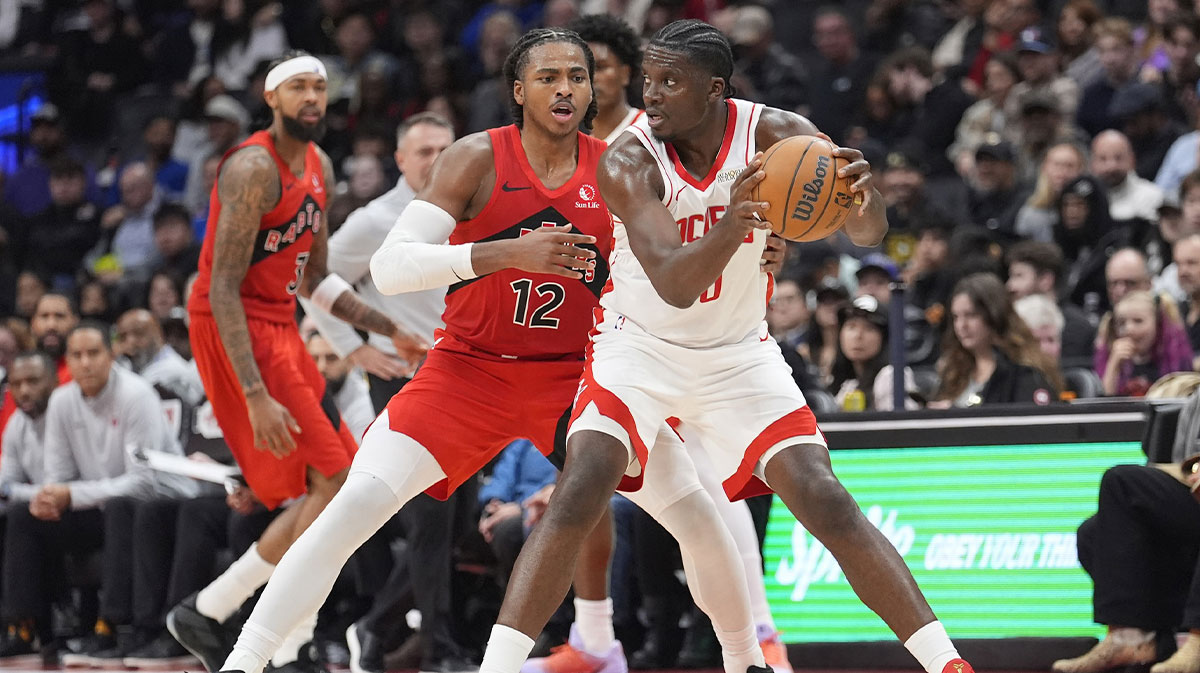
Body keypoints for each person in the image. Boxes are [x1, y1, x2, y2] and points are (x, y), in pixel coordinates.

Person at [216, 29, 777, 673]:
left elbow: (674, 264)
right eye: (547, 77)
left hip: (580, 377)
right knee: (354, 508)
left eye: (577, 75)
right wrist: (502, 253)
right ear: (518, 90)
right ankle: (244, 661)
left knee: (697, 514)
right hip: (468, 372)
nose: (564, 87)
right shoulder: (474, 158)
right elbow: (393, 266)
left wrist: (752, 249)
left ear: (593, 91)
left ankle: (745, 660)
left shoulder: (623, 163)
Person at [476, 18, 973, 673]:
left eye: (669, 83)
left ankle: (946, 662)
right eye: (647, 81)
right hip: (639, 348)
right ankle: (498, 665)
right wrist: (735, 224)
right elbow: (676, 284)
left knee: (824, 495)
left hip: (739, 352)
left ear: (716, 89)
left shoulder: (780, 135)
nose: (650, 96)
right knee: (583, 481)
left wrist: (861, 195)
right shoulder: (629, 157)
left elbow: (870, 234)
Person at [166, 50, 427, 673]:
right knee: (336, 481)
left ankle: (234, 620)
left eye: (320, 87)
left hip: (280, 322)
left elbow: (317, 278)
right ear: (272, 98)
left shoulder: (319, 164)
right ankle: (261, 630)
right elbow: (223, 288)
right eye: (299, 88)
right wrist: (254, 393)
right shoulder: (253, 168)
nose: (313, 97)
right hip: (234, 326)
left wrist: (391, 329)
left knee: (338, 483)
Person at [297, 112, 470, 673]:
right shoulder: (376, 221)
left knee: (459, 521)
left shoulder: (468, 204)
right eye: (423, 150)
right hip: (403, 379)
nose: (435, 159)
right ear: (399, 159)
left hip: (468, 377)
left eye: (444, 148)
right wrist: (352, 346)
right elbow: (310, 277)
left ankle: (377, 626)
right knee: (429, 520)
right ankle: (435, 649)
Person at [1, 325, 196, 660]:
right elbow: (58, 477)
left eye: (93, 353)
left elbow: (143, 481)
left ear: (111, 356)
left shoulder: (137, 395)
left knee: (120, 506)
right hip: (101, 504)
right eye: (76, 355)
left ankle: (111, 626)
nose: (85, 363)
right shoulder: (62, 401)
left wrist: (70, 495)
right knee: (24, 515)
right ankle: (25, 626)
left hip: (160, 499)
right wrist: (51, 498)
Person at [933, 273, 1063, 407]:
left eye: (971, 315)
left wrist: (954, 413)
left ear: (995, 316)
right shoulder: (954, 371)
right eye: (956, 317)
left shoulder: (1025, 374)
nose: (961, 326)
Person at [1095, 291, 1194, 397]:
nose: (1129, 329)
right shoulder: (1117, 362)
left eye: (1138, 321)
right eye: (1121, 323)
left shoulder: (1175, 358)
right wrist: (1113, 365)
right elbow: (1104, 401)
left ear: (1158, 324)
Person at [829, 295, 918, 411]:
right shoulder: (846, 382)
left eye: (869, 328)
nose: (858, 336)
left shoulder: (892, 375)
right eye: (851, 327)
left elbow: (900, 424)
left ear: (884, 338)